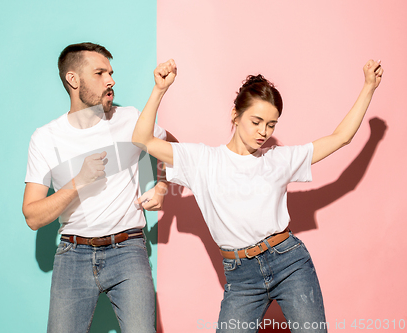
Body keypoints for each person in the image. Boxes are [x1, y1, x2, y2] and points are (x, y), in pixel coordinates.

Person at [132, 59, 383, 332]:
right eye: (256, 121)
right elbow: (143, 139)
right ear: (235, 116)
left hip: (289, 262)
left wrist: (369, 87)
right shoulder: (203, 160)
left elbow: (340, 137)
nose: (263, 132)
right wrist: (159, 89)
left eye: (272, 125)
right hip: (241, 278)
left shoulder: (279, 159)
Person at [22, 42, 176, 333]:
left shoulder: (129, 119)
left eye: (111, 72)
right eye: (100, 73)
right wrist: (79, 182)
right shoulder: (45, 138)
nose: (111, 80)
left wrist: (163, 186)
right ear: (73, 80)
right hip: (73, 255)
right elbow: (33, 217)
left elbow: (173, 149)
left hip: (128, 250)